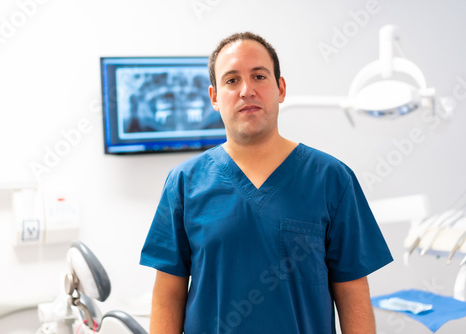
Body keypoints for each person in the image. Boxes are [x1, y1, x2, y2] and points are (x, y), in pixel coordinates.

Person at [139, 32, 393, 334]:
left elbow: (353, 294)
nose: (247, 90)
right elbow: (168, 293)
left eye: (259, 76)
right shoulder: (184, 183)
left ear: (281, 88)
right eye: (231, 80)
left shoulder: (331, 179)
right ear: (215, 98)